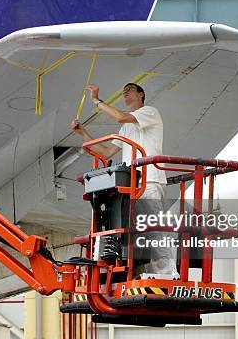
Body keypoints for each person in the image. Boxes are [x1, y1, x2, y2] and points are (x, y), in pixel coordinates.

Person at [71, 83, 179, 279]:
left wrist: (96, 100)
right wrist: (83, 134)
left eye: (129, 90)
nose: (125, 94)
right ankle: (141, 275)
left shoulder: (149, 112)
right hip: (132, 185)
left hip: (150, 180)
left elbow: (120, 115)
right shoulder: (126, 127)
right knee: (134, 233)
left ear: (141, 94)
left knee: (154, 230)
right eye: (123, 92)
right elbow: (107, 152)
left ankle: (167, 275)